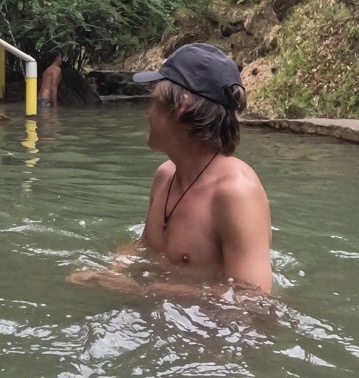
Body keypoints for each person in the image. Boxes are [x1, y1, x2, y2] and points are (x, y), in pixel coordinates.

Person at [70, 43, 273, 296]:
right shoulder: (165, 176)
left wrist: (144, 289)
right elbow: (145, 246)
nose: (148, 112)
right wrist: (112, 269)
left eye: (154, 101)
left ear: (180, 107)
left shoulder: (237, 192)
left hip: (204, 322)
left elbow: (253, 299)